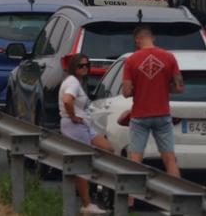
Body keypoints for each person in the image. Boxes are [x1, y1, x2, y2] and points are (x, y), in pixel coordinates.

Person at [122, 25, 184, 206]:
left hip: (140, 115)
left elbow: (126, 91)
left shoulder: (132, 60)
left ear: (137, 40)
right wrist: (164, 86)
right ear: (153, 38)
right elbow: (180, 87)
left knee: (135, 159)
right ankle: (179, 199)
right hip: (162, 114)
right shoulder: (169, 57)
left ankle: (130, 202)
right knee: (170, 158)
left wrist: (137, 88)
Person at [59, 53, 114, 215]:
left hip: (85, 126)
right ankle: (86, 203)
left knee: (108, 148)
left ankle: (95, 181)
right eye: (80, 66)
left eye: (87, 65)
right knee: (81, 164)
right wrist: (73, 116)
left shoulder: (78, 82)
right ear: (73, 67)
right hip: (75, 126)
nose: (84, 68)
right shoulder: (72, 82)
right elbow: (68, 100)